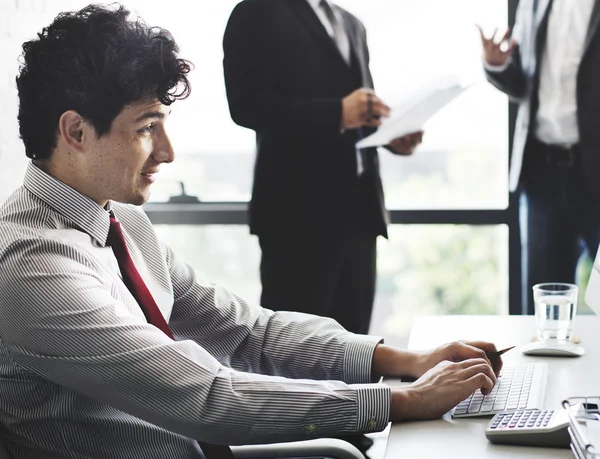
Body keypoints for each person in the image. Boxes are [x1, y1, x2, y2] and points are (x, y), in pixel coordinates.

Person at [0, 4, 500, 458]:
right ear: (75, 132)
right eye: (147, 127)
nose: (168, 151)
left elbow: (247, 333)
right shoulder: (33, 268)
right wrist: (404, 399)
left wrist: (407, 359)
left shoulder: (122, 221)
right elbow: (206, 398)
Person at [223, 0, 424, 337]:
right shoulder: (257, 11)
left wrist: (390, 136)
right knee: (292, 352)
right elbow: (246, 106)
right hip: (297, 219)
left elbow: (359, 114)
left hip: (361, 215)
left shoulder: (352, 24)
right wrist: (337, 113)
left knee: (356, 350)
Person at [478, 0, 600, 312]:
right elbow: (522, 84)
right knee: (545, 305)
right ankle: (546, 364)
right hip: (542, 172)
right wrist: (497, 65)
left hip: (595, 170)